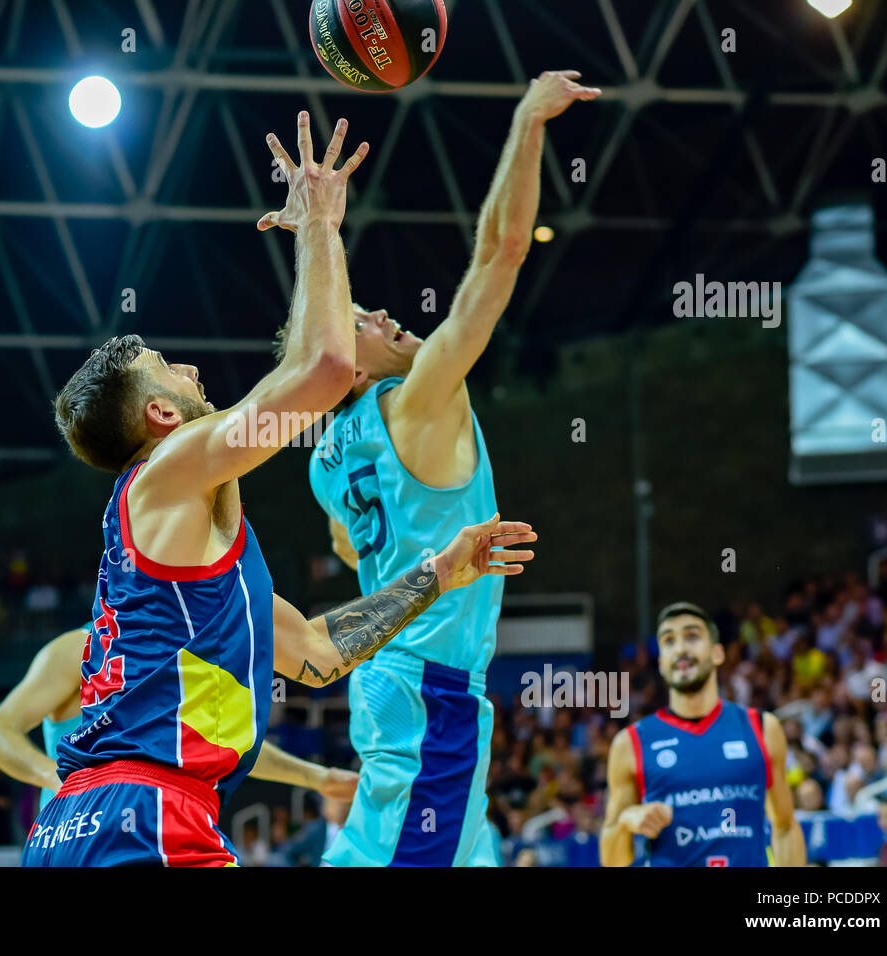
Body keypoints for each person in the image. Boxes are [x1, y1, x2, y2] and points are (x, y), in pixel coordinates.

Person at [23, 111, 537, 867]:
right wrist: (321, 226)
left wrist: (438, 572)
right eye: (173, 369)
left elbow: (324, 654)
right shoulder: (165, 470)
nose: (195, 372)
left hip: (94, 821)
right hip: (145, 814)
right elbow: (323, 370)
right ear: (161, 414)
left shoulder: (199, 575)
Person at [291, 70, 598, 866]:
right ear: (345, 366)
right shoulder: (414, 400)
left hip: (398, 671)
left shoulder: (326, 460)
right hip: (429, 684)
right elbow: (498, 256)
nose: (388, 317)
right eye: (365, 323)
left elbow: (356, 553)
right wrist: (528, 120)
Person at [0, 626, 360, 814]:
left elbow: (229, 742)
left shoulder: (183, 655)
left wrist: (317, 777)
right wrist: (57, 777)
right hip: (80, 830)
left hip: (155, 831)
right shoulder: (76, 648)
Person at [600, 602, 806, 866]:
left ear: (718, 653)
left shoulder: (763, 728)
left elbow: (785, 826)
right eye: (669, 641)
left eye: (692, 636)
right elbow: (612, 860)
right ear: (662, 664)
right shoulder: (630, 742)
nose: (681, 648)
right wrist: (626, 821)